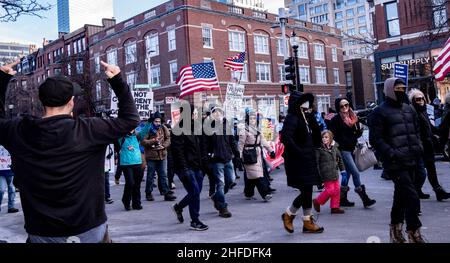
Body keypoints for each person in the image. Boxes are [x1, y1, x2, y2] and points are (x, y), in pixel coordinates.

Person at [0, 61, 139, 243]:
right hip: (89, 230)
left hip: (42, 232)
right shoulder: (90, 129)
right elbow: (130, 119)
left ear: (42, 101)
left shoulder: (20, 131)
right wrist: (117, 81)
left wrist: (2, 80)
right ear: (71, 101)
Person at [369, 77, 425, 243]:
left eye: (403, 88)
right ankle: (414, 232)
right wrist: (391, 153)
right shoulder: (379, 112)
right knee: (412, 197)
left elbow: (416, 131)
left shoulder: (409, 109)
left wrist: (418, 147)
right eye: (398, 88)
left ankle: (396, 232)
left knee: (400, 198)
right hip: (395, 163)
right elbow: (376, 139)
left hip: (412, 159)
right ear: (389, 90)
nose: (401, 91)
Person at [281, 92, 324, 234]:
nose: (306, 105)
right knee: (305, 190)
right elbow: (286, 138)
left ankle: (307, 221)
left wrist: (312, 118)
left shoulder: (306, 117)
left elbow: (316, 136)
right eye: (303, 102)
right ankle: (289, 214)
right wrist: (299, 152)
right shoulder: (292, 118)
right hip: (297, 160)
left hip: (308, 158)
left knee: (308, 190)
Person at [330, 98, 376, 208]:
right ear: (338, 108)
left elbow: (356, 134)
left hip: (352, 149)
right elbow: (333, 136)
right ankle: (365, 198)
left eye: (346, 105)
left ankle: (342, 198)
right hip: (343, 150)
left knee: (348, 174)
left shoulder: (353, 117)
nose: (345, 108)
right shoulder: (336, 120)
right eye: (342, 106)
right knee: (355, 173)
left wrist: (359, 131)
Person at [171, 105, 208, 231]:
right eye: (195, 113)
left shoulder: (196, 127)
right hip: (185, 168)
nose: (196, 115)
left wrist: (203, 165)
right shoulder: (178, 129)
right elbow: (178, 151)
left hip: (197, 166)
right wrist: (185, 169)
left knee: (195, 192)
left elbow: (201, 147)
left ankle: (178, 207)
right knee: (194, 192)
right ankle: (195, 221)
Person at [409, 90, 450, 201]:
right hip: (419, 146)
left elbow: (429, 127)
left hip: (427, 144)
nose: (421, 101)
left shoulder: (423, 111)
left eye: (422, 98)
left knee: (431, 169)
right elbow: (415, 131)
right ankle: (415, 191)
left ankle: (438, 192)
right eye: (418, 99)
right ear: (413, 100)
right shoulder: (413, 113)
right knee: (421, 173)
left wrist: (437, 133)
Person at [204, 105, 240, 218]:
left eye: (220, 112)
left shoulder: (226, 125)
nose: (218, 114)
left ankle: (217, 198)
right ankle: (223, 208)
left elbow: (232, 141)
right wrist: (208, 158)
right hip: (216, 160)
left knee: (230, 180)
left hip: (228, 158)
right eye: (215, 112)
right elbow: (205, 145)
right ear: (212, 115)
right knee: (220, 184)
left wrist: (237, 154)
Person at [238, 109, 275, 202]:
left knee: (251, 176)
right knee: (257, 175)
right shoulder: (244, 130)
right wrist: (239, 157)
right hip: (248, 154)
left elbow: (263, 141)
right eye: (250, 118)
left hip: (258, 154)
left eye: (254, 118)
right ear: (247, 119)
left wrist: (271, 151)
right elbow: (240, 144)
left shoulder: (257, 129)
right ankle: (265, 194)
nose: (252, 120)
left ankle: (248, 193)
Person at [140, 112, 175, 202]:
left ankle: (166, 192)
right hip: (151, 156)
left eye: (159, 121)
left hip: (162, 154)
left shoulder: (164, 128)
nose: (158, 123)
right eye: (156, 121)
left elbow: (168, 138)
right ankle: (148, 193)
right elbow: (143, 141)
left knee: (163, 175)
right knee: (150, 175)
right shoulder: (148, 129)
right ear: (153, 121)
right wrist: (153, 141)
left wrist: (164, 146)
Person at [313, 131, 346, 214]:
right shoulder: (319, 149)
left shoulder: (334, 147)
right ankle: (317, 201)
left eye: (326, 137)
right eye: (323, 137)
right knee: (330, 190)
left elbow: (340, 159)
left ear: (330, 138)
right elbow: (316, 162)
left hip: (334, 172)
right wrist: (317, 175)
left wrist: (343, 171)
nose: (324, 139)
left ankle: (335, 207)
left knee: (337, 190)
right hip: (325, 173)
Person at [118, 130, 143, 211]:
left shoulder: (137, 135)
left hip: (137, 162)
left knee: (137, 184)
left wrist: (150, 122)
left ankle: (136, 203)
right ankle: (126, 201)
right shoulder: (121, 137)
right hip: (126, 163)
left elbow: (145, 131)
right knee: (130, 183)